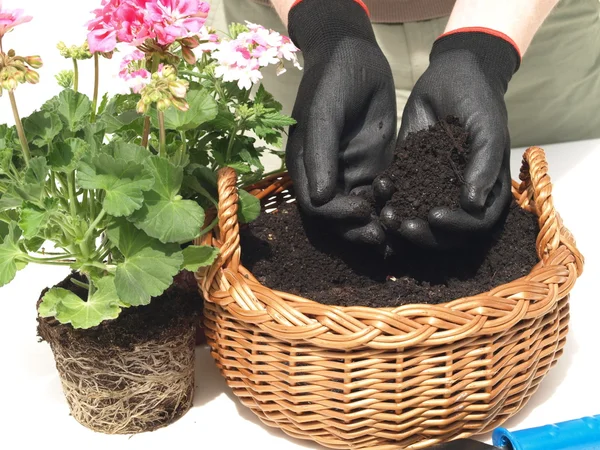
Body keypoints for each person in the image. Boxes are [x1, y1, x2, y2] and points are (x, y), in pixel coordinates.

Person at [206, 0, 600, 250]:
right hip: (296, 27)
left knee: (512, 205)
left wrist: (485, 46)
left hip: (529, 26)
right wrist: (329, 24)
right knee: (316, 184)